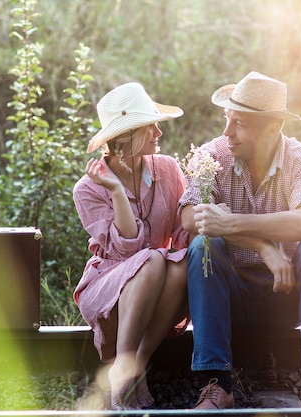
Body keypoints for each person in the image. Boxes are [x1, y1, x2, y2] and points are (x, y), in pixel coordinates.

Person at [178, 71, 301, 409]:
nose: (227, 132)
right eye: (228, 119)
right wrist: (263, 245)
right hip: (231, 299)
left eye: (239, 123)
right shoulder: (212, 157)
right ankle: (217, 385)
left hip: (284, 296)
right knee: (203, 245)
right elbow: (188, 217)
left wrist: (232, 222)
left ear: (271, 129)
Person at [73, 82, 190, 410]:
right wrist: (115, 191)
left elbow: (182, 235)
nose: (158, 132)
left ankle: (134, 366)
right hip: (110, 287)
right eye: (150, 125)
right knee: (150, 259)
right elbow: (127, 251)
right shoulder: (88, 189)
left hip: (160, 283)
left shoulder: (167, 168)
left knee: (180, 263)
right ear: (128, 136)